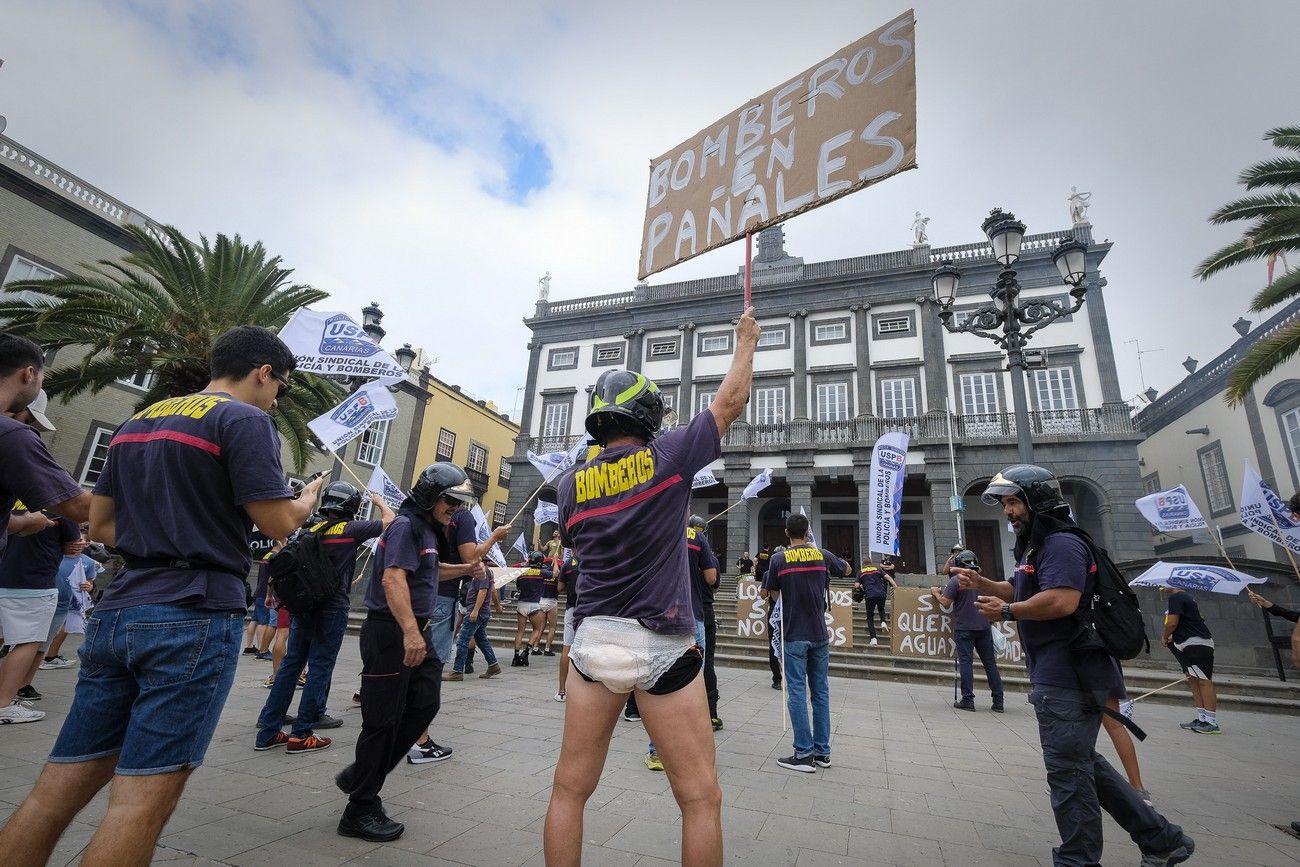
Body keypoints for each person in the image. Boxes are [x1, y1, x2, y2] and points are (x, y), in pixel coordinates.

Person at [0, 326, 325, 865]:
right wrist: (305, 501)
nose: (276, 398)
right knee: (140, 803)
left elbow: (100, 524)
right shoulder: (245, 420)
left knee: (56, 787)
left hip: (121, 604)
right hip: (194, 612)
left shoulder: (139, 418)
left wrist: (162, 525)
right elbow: (275, 521)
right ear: (263, 372)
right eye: (281, 387)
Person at [544, 307, 757, 867]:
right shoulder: (667, 457)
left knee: (569, 790)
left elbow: (572, 539)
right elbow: (729, 402)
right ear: (649, 417)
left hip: (594, 643)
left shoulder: (569, 486)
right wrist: (746, 343)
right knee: (700, 798)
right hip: (661, 642)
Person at [957, 464, 1193, 866]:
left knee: (1068, 773)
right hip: (1062, 668)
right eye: (1005, 504)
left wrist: (1008, 612)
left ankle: (1078, 859)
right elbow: (1023, 587)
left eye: (1014, 502)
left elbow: (1062, 600)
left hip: (1069, 671)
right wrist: (984, 585)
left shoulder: (1062, 544)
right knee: (1083, 763)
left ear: (1037, 500)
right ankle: (1161, 839)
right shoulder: (1039, 545)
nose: (1008, 511)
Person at [333, 462, 483, 842]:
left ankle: (364, 773)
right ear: (431, 495)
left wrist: (467, 569)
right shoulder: (405, 526)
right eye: (451, 501)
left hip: (416, 631)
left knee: (424, 704)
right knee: (381, 720)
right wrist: (411, 634)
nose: (456, 509)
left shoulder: (428, 531)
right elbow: (393, 577)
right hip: (392, 633)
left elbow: (429, 571)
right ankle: (360, 807)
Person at [255, 484, 395, 754]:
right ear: (351, 508)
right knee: (319, 667)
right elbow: (389, 521)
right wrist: (379, 502)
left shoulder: (308, 530)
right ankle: (302, 733)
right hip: (332, 607)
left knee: (290, 666)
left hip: (303, 606)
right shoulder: (351, 529)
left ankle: (268, 730)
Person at [763, 512, 850, 773]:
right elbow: (846, 569)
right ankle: (823, 752)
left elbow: (768, 591)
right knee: (821, 693)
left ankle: (803, 753)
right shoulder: (821, 554)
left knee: (797, 693)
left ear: (787, 533)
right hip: (819, 633)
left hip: (794, 634)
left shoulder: (779, 559)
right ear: (807, 532)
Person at [0, 508, 81, 710]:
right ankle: (3, 704)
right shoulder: (59, 505)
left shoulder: (11, 496)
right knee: (28, 642)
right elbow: (73, 543)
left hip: (4, 574)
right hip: (34, 583)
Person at [931, 549, 1004, 712]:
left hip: (964, 628)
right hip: (984, 626)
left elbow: (945, 602)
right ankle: (998, 701)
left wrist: (936, 593)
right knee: (990, 664)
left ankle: (968, 699)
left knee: (966, 662)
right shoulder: (982, 581)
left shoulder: (956, 581)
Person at [1160, 585, 1219, 735]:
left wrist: (1165, 636)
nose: (1161, 586)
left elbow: (1172, 623)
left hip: (1196, 644)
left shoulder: (1176, 597)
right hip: (1189, 643)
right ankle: (1202, 717)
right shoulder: (1186, 598)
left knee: (1203, 680)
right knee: (1193, 679)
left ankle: (1211, 721)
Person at [688, 516, 722, 731]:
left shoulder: (674, 540)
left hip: (677, 609)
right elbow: (713, 582)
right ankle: (710, 714)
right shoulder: (705, 549)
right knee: (706, 663)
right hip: (703, 610)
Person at [445, 564, 502, 681]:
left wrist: (475, 610)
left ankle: (457, 671)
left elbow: (483, 591)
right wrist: (497, 606)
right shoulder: (484, 571)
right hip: (482, 611)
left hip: (477, 611)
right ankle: (493, 665)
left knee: (462, 640)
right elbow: (493, 591)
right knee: (481, 639)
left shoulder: (483, 571)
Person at [512, 551, 548, 666]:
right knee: (537, 629)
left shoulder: (522, 573)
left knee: (520, 631)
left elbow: (518, 586)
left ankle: (516, 656)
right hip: (534, 605)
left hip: (521, 604)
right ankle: (526, 651)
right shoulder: (541, 572)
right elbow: (556, 574)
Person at [856, 557, 897, 646]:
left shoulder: (861, 572)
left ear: (863, 564)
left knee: (870, 617)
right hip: (881, 593)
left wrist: (862, 585)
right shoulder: (878, 569)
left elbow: (856, 585)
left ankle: (873, 639)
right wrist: (896, 588)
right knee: (881, 609)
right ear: (871, 563)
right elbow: (888, 577)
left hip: (870, 595)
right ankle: (883, 622)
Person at [555, 554, 578, 702]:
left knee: (566, 648)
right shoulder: (594, 559)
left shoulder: (568, 564)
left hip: (572, 609)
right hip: (590, 611)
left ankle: (562, 691)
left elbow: (559, 587)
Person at [539, 554, 561, 655]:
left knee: (540, 627)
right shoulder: (557, 574)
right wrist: (556, 560)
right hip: (551, 601)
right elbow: (556, 574)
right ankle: (547, 649)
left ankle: (535, 647)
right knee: (552, 627)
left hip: (541, 600)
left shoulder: (543, 573)